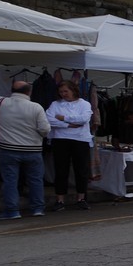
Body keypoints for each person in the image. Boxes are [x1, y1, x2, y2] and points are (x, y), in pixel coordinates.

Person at [0, 79, 49, 219]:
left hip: (8, 149)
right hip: (33, 150)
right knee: (35, 180)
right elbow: (45, 129)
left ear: (11, 90)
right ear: (29, 92)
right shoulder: (36, 107)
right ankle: (37, 209)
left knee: (10, 181)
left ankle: (12, 211)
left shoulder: (0, 102)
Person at [45, 79, 94, 212]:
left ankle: (81, 198)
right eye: (61, 92)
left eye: (66, 91)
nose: (63, 94)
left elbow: (83, 119)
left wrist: (63, 118)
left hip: (80, 139)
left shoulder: (84, 104)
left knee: (81, 169)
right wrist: (68, 125)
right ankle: (60, 199)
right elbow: (49, 119)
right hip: (60, 139)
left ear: (73, 90)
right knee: (61, 170)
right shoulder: (55, 104)